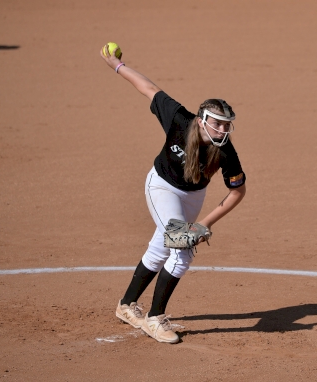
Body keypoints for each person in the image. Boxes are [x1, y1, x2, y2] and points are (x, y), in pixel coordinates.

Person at [100, 45, 247, 344]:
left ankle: (126, 306)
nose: (223, 129)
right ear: (203, 119)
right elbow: (148, 87)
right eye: (218, 123)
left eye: (227, 125)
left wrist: (203, 225)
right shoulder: (180, 120)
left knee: (162, 247)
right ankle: (155, 318)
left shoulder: (226, 151)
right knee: (182, 250)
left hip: (193, 198)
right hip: (161, 187)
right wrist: (116, 64)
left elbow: (237, 192)